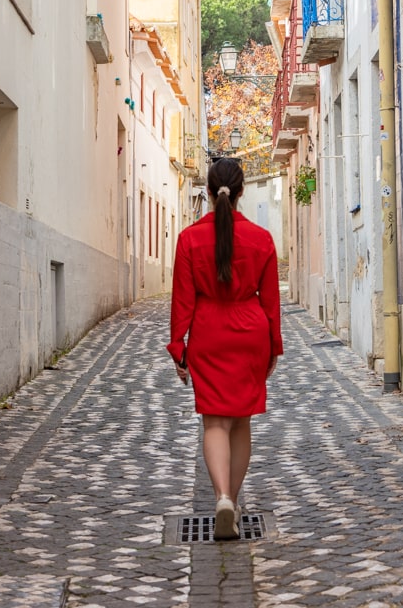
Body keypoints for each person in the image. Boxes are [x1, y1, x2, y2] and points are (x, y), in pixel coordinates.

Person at [167, 156, 283, 540]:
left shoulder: (188, 239)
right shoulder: (262, 239)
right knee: (242, 420)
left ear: (206, 191)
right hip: (250, 331)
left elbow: (182, 300)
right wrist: (273, 349)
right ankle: (232, 497)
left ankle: (221, 498)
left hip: (208, 333)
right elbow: (270, 303)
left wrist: (178, 348)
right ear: (242, 192)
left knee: (214, 420)